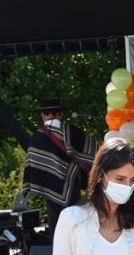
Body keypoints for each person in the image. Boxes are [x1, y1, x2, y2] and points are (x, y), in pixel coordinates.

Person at [22, 99, 97, 235]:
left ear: (43, 115)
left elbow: (32, 164)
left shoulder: (36, 137)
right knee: (74, 218)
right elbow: (96, 152)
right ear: (60, 114)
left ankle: (57, 245)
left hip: (49, 186)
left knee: (55, 222)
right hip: (71, 185)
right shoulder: (71, 131)